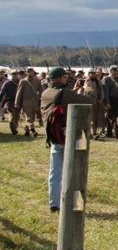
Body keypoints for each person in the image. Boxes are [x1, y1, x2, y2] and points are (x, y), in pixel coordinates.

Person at [41, 67, 93, 212]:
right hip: (69, 137)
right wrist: (88, 87)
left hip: (54, 137)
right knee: (74, 173)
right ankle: (73, 203)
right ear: (61, 78)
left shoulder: (46, 93)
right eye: (65, 77)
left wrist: (73, 90)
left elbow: (62, 99)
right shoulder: (65, 93)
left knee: (55, 173)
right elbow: (90, 101)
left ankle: (54, 203)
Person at [15, 68, 42, 137]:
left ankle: (27, 131)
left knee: (32, 117)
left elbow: (41, 91)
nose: (31, 73)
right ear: (27, 73)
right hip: (26, 101)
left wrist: (41, 99)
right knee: (28, 117)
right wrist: (17, 103)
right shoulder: (23, 81)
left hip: (35, 101)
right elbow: (19, 92)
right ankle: (33, 130)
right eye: (29, 72)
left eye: (32, 72)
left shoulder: (37, 81)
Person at [101, 66, 118, 138]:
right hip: (109, 99)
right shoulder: (106, 79)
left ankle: (112, 131)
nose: (115, 72)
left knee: (114, 116)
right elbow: (105, 91)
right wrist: (107, 102)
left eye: (116, 70)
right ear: (110, 71)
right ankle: (110, 131)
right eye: (113, 70)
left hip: (116, 100)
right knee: (109, 116)